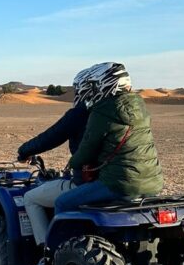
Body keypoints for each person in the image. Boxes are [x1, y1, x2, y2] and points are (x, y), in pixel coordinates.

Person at [54, 62, 163, 213]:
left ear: (105, 84)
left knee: (62, 202)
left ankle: (63, 237)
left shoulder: (103, 111)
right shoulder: (140, 106)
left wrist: (72, 163)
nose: (93, 89)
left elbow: (87, 149)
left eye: (95, 85)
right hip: (153, 183)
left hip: (118, 184)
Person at [18, 67, 94, 248]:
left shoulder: (80, 114)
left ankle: (47, 252)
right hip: (121, 184)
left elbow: (50, 137)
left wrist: (24, 151)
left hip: (86, 183)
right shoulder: (116, 115)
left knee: (30, 198)